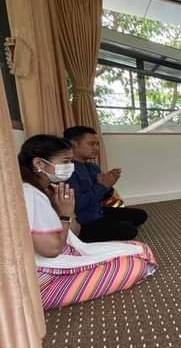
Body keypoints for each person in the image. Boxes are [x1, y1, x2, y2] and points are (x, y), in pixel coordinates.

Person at [18, 135, 157, 310]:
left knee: (139, 248)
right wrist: (65, 215)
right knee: (136, 265)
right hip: (43, 275)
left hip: (69, 246)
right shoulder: (30, 194)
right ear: (39, 163)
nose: (70, 167)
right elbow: (51, 250)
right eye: (65, 162)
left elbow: (75, 231)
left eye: (70, 161)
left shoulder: (57, 185)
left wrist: (72, 211)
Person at [63, 126, 147, 242]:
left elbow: (104, 197)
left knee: (140, 215)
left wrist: (109, 184)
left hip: (98, 212)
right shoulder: (68, 170)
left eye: (97, 144)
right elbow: (77, 206)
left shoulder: (93, 167)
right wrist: (102, 186)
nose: (96, 148)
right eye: (91, 144)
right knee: (129, 230)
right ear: (73, 144)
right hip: (83, 221)